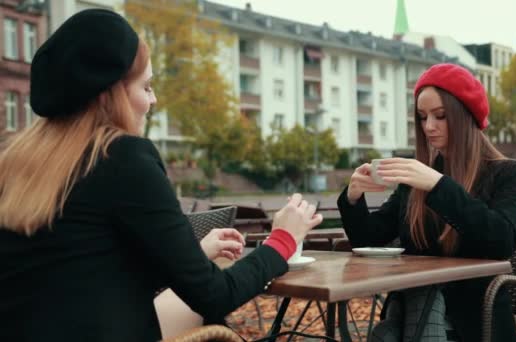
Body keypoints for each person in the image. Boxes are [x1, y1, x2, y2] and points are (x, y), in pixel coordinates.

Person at [0, 9, 322, 342]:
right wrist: (283, 240)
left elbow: (84, 271)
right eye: (147, 86)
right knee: (211, 314)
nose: (153, 100)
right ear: (108, 95)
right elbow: (216, 293)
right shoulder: (122, 158)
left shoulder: (16, 162)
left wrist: (192, 254)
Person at [338, 63, 516, 342]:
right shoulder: (416, 176)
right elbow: (369, 239)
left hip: (474, 320)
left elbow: (502, 240)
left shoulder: (507, 173)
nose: (429, 127)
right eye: (422, 117)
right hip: (410, 313)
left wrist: (438, 185)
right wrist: (353, 196)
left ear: (465, 115)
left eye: (440, 116)